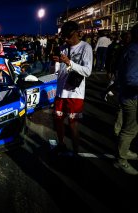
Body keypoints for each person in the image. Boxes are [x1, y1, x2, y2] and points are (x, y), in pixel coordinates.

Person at [52, 21, 93, 155]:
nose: (65, 39)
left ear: (76, 33)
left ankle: (76, 152)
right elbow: (58, 70)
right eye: (63, 36)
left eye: (67, 36)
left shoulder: (85, 47)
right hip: (60, 90)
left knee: (72, 123)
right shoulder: (63, 47)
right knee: (58, 120)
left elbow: (87, 71)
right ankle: (61, 144)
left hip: (75, 93)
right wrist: (56, 63)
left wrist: (69, 62)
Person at [113, 24, 138, 175]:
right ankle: (121, 160)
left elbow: (121, 71)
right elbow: (130, 77)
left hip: (126, 93)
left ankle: (124, 151)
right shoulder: (135, 50)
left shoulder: (130, 48)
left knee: (127, 127)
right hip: (131, 95)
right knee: (130, 129)